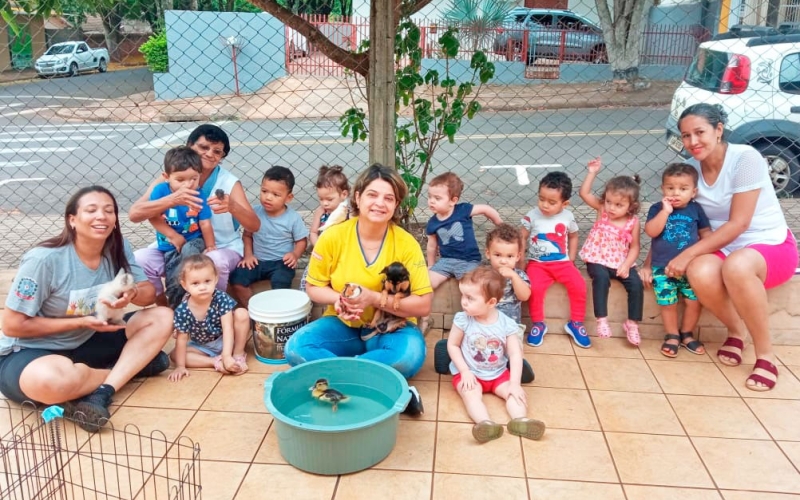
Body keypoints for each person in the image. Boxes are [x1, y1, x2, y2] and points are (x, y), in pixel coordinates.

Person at [647, 103, 798, 391]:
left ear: (718, 130)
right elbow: (674, 225)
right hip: (722, 246)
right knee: (699, 271)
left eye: (699, 132)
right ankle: (736, 331)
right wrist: (655, 261)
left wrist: (688, 253)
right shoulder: (690, 172)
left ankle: (766, 355)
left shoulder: (745, 158)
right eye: (686, 135)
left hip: (768, 243)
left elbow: (739, 223)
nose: (692, 141)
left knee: (736, 266)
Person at [0, 186, 173, 432]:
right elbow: (12, 325)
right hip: (31, 352)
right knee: (50, 382)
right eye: (91, 210)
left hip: (89, 339)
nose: (101, 216)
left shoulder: (117, 247)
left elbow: (148, 294)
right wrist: (80, 322)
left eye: (109, 211)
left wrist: (131, 292)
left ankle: (102, 391)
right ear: (72, 219)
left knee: (163, 316)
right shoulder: (43, 260)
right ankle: (130, 370)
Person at [284, 164, 433, 416]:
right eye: (372, 195)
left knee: (408, 355)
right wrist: (339, 300)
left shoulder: (406, 244)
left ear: (396, 204)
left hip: (390, 328)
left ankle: (338, 381)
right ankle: (382, 384)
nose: (379, 203)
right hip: (343, 325)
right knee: (296, 347)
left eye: (389, 198)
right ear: (357, 197)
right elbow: (313, 287)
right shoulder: (333, 237)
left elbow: (423, 304)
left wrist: (373, 298)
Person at [130, 124, 261, 294]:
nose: (210, 154)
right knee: (140, 259)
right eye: (203, 147)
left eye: (217, 152)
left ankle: (212, 305)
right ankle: (164, 304)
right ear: (189, 146)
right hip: (174, 246)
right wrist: (171, 200)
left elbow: (254, 226)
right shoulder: (170, 179)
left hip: (219, 246)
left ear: (222, 157)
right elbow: (135, 214)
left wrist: (233, 207)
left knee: (214, 261)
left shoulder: (229, 182)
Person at [447, 266, 546, 443]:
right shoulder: (463, 319)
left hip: (498, 373)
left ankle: (520, 421)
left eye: (470, 298)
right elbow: (453, 345)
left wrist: (515, 384)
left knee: (514, 394)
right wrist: (464, 371)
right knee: (470, 394)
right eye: (463, 296)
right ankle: (485, 424)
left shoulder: (507, 324)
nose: (464, 302)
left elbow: (515, 354)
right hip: (470, 373)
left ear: (491, 302)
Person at [433, 224, 535, 384]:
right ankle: (453, 352)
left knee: (513, 351)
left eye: (509, 256)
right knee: (474, 345)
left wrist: (514, 277)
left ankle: (513, 365)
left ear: (518, 256)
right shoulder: (482, 275)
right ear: (488, 253)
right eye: (498, 255)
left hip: (508, 328)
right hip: (478, 323)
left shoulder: (519, 276)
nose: (503, 261)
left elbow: (525, 296)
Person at [643, 163, 711, 358]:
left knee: (694, 302)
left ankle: (687, 334)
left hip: (690, 268)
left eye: (683, 189)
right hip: (662, 268)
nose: (676, 193)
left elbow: (706, 234)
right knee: (668, 303)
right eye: (670, 188)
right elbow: (651, 232)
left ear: (693, 192)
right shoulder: (657, 208)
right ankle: (672, 335)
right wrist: (665, 212)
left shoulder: (696, 209)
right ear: (662, 189)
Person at [423, 172, 502, 331]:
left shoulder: (463, 210)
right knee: (425, 284)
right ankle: (425, 318)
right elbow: (431, 246)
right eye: (430, 197)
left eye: (437, 198)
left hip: (469, 261)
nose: (431, 201)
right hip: (446, 261)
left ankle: (474, 321)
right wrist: (431, 265)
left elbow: (485, 209)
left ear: (453, 200)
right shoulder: (432, 223)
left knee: (473, 288)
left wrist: (499, 224)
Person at [578, 157, 644, 345]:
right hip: (597, 258)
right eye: (608, 201)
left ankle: (632, 323)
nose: (611, 208)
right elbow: (584, 193)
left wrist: (626, 265)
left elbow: (635, 247)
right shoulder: (602, 211)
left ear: (631, 206)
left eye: (618, 205)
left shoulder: (633, 222)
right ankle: (602, 319)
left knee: (636, 284)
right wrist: (592, 173)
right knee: (600, 278)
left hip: (620, 261)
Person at [521, 172, 589, 348]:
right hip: (537, 264)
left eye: (552, 202)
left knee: (579, 285)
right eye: (541, 199)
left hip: (563, 263)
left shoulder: (567, 216)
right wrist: (520, 261)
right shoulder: (532, 215)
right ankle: (538, 324)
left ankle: (576, 323)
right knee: (534, 289)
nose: (545, 205)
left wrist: (571, 259)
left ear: (564, 203)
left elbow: (573, 236)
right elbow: (522, 237)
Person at [146, 146, 216, 307]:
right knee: (174, 265)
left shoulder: (199, 194)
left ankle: (193, 298)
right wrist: (173, 236)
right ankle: (177, 301)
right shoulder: (160, 191)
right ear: (166, 177)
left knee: (189, 252)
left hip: (194, 239)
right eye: (180, 180)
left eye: (194, 179)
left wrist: (211, 246)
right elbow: (153, 217)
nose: (188, 185)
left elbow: (205, 223)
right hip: (169, 243)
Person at [229, 166, 309, 308]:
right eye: (264, 191)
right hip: (257, 261)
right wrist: (248, 255)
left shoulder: (293, 218)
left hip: (281, 262)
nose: (268, 197)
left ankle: (277, 312)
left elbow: (301, 241)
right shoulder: (255, 212)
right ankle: (253, 311)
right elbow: (247, 235)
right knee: (237, 280)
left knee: (281, 282)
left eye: (276, 194)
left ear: (288, 197)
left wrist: (295, 255)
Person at [169, 254, 251, 381]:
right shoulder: (182, 310)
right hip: (203, 346)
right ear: (184, 285)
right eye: (195, 283)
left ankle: (238, 355)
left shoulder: (220, 298)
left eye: (207, 281)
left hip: (226, 339)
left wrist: (227, 355)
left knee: (242, 313)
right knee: (175, 355)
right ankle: (215, 361)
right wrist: (180, 366)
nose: (202, 287)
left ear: (216, 279)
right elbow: (181, 340)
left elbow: (228, 328)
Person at [300, 165, 351, 292]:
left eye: (329, 199)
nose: (325, 203)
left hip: (343, 255)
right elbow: (313, 232)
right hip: (322, 254)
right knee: (307, 281)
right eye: (321, 199)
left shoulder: (349, 213)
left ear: (344, 194)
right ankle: (306, 301)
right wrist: (319, 246)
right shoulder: (321, 212)